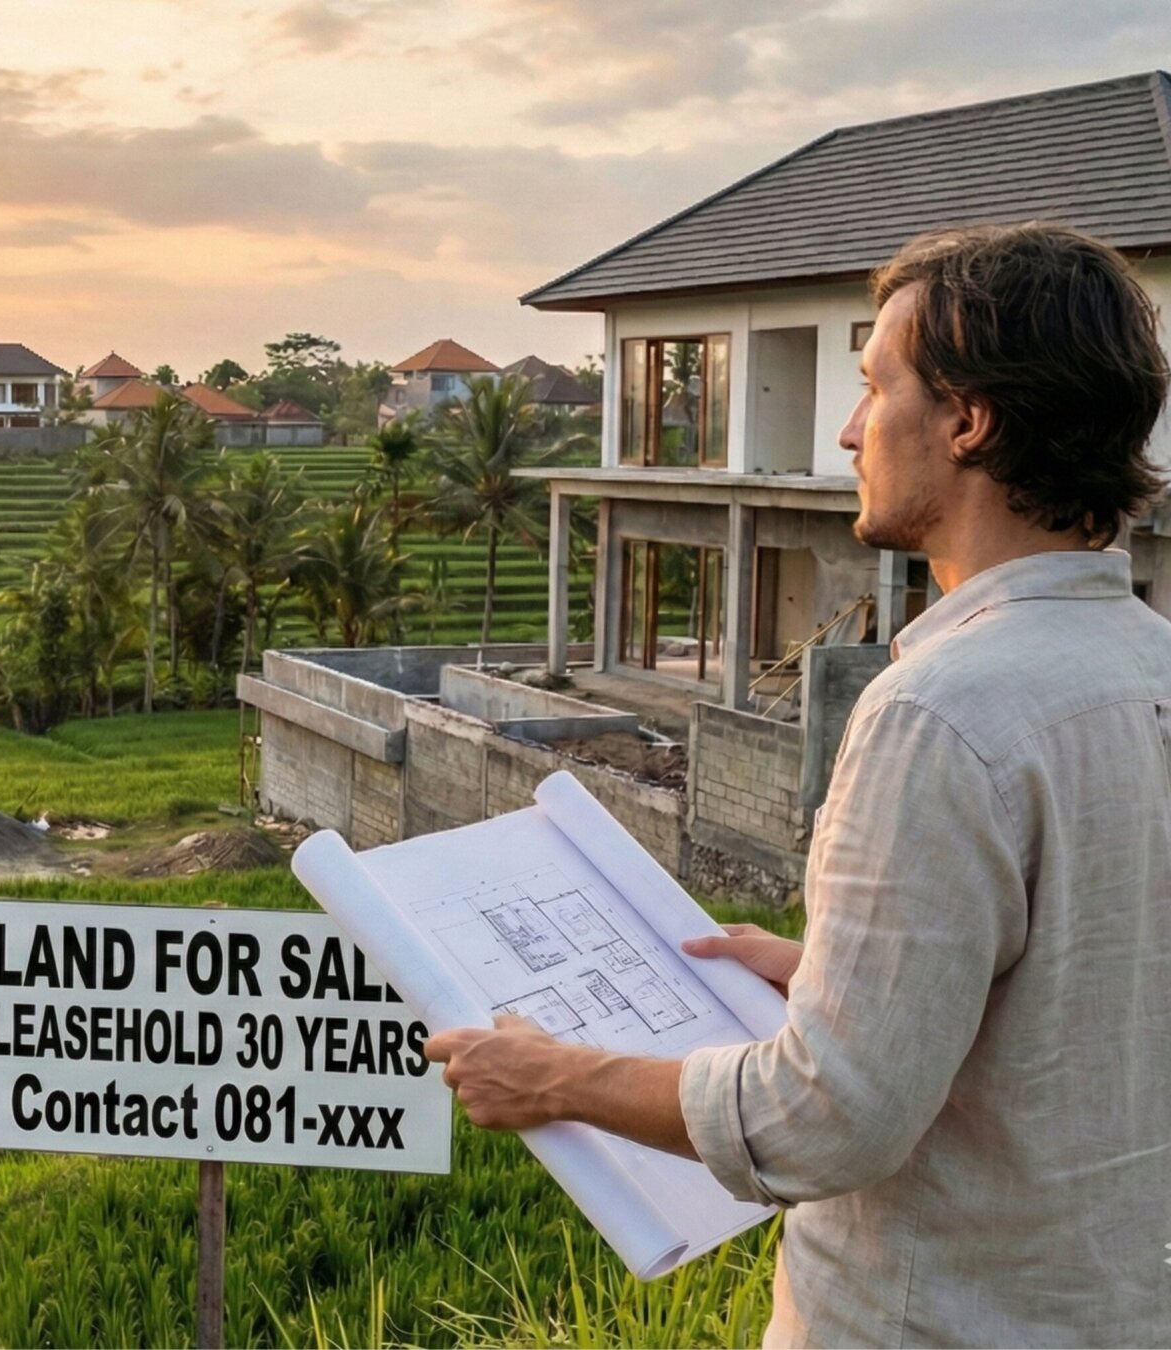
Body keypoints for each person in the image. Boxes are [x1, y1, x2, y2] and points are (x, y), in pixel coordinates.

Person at [426, 222, 1171, 1347]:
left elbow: (827, 1121)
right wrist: (839, 977)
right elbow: (1096, 991)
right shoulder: (1147, 663)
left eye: (878, 386)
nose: (849, 427)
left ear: (969, 421)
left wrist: (557, 1081)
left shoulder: (941, 713)